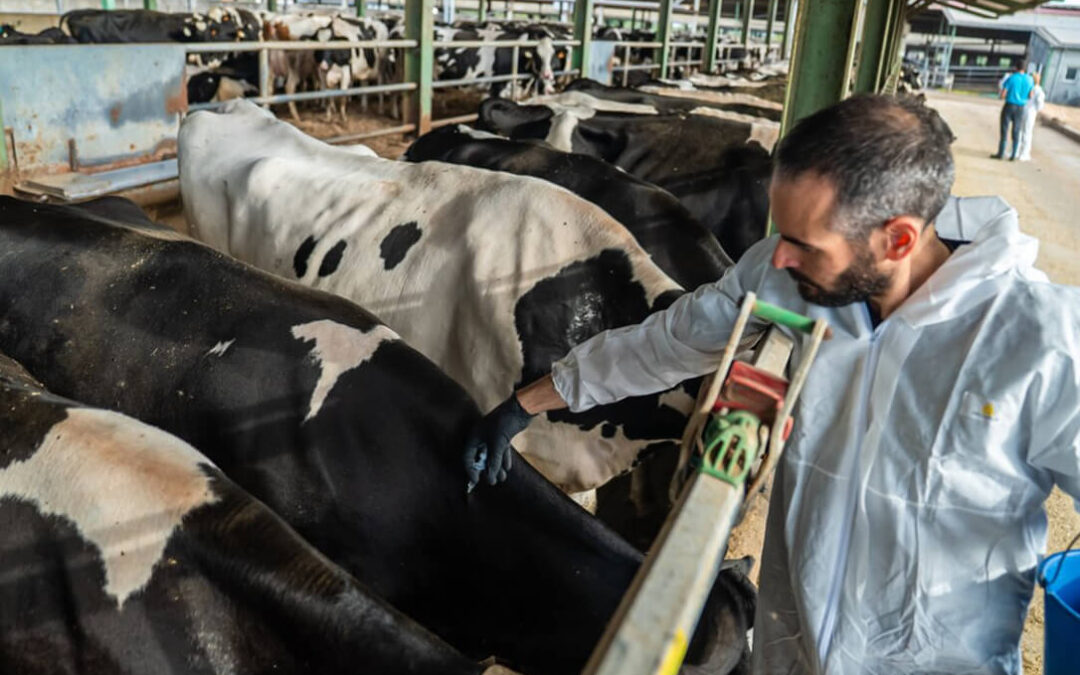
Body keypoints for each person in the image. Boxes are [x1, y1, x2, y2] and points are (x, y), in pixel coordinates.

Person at [463, 94, 1080, 674]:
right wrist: (526, 404)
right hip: (791, 648)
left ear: (897, 240)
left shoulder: (1041, 341)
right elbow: (670, 341)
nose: (777, 258)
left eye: (803, 244)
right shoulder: (786, 277)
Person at [994, 63, 1034, 160]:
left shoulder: (1011, 78)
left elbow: (1003, 94)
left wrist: (1002, 96)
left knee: (1004, 129)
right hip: (1021, 107)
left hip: (1009, 105)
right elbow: (1031, 95)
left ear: (1016, 68)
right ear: (1025, 69)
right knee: (1016, 130)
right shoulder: (1030, 79)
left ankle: (1001, 153)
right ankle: (1013, 155)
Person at [1017, 72, 1047, 161]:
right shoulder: (1036, 90)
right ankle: (1021, 152)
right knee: (1024, 132)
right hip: (1028, 112)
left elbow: (1039, 105)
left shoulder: (1034, 90)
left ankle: (1020, 152)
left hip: (1026, 111)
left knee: (1023, 132)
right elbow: (1040, 105)